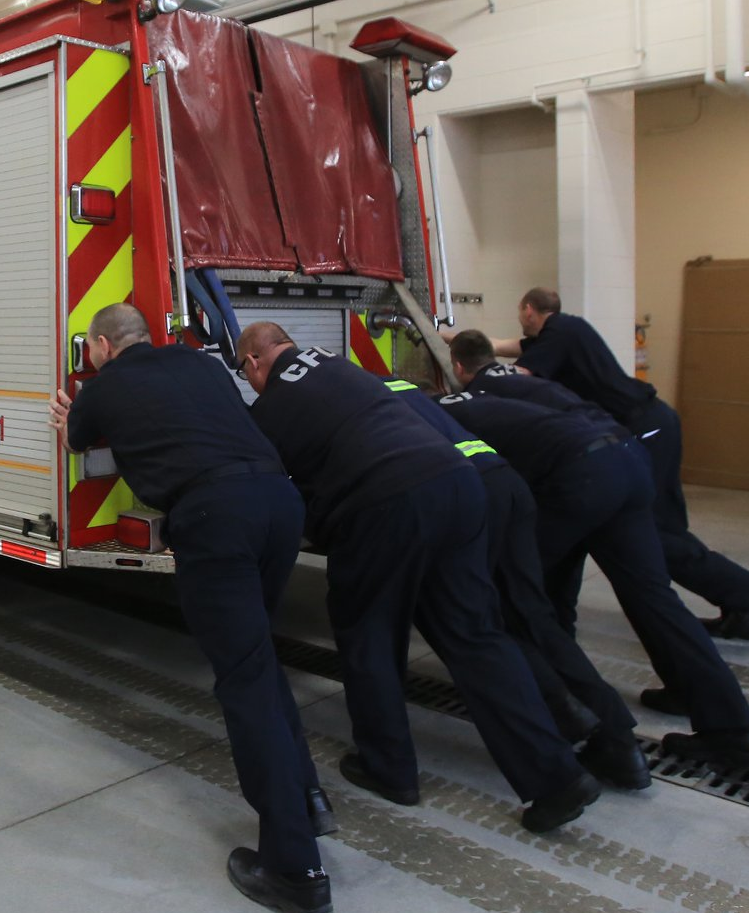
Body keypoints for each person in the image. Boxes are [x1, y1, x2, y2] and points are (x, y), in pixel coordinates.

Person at [233, 323, 600, 834]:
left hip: (387, 504)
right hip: (458, 485)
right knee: (476, 636)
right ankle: (558, 777)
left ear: (253, 361)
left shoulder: (270, 407)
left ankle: (389, 768)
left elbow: (265, 481)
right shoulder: (344, 368)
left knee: (368, 631)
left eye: (243, 373)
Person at [49, 304, 332, 913]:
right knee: (258, 657)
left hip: (214, 518)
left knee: (243, 680)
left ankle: (296, 871)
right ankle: (307, 796)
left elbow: (75, 435)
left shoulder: (105, 384)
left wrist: (75, 416)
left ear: (100, 347)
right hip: (279, 504)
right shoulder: (201, 366)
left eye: (92, 349)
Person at [434, 389, 749, 771]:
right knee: (655, 599)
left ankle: (603, 733)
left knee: (518, 604)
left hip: (578, 475)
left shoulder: (426, 421)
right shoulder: (474, 402)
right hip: (623, 457)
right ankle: (734, 731)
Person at [456, 292, 749, 641]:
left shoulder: (559, 332)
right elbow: (501, 347)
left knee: (655, 534)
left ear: (529, 310)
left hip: (641, 428)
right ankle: (744, 600)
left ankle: (748, 594)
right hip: (642, 424)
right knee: (653, 532)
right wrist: (446, 337)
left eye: (521, 314)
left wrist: (464, 383)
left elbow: (516, 373)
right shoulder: (564, 331)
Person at [382, 378, 649, 790]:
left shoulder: (395, 412)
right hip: (528, 488)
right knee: (532, 616)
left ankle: (568, 712)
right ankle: (615, 736)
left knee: (494, 622)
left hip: (503, 492)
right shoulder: (453, 405)